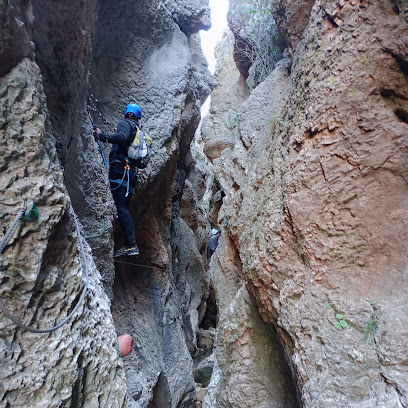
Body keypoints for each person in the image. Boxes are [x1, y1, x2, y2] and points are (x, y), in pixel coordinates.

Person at [93, 103, 143, 258]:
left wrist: (100, 136)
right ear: (137, 116)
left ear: (126, 113)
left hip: (120, 170)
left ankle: (130, 245)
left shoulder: (125, 123)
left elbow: (121, 138)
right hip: (129, 174)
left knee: (121, 207)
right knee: (124, 209)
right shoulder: (136, 129)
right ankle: (130, 244)